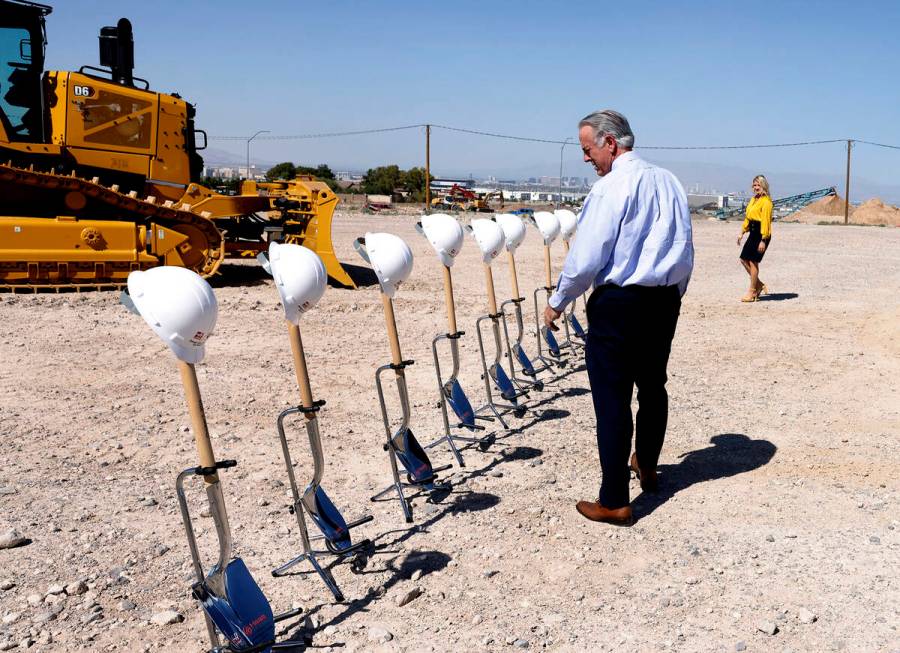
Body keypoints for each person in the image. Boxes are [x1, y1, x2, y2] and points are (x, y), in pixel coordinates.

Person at [543, 110, 694, 526]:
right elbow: (684, 245)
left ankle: (614, 500)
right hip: (663, 302)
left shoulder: (612, 187)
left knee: (612, 400)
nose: (586, 158)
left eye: (587, 149)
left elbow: (587, 254)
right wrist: (673, 295)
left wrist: (559, 299)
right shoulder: (670, 181)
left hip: (620, 304)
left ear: (610, 143)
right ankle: (646, 464)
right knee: (653, 385)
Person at [737, 175, 773, 302]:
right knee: (743, 259)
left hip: (761, 233)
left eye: (758, 185)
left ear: (764, 186)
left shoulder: (766, 202)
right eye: (754, 185)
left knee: (753, 262)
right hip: (752, 232)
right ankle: (759, 285)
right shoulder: (753, 200)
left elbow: (766, 221)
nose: (756, 187)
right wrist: (742, 232)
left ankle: (752, 291)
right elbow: (748, 217)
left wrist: (763, 239)